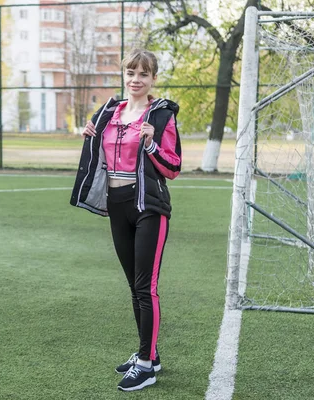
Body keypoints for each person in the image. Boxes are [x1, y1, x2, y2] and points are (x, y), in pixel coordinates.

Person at [69, 48, 181, 392]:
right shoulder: (108, 111)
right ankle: (150, 353)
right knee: (134, 286)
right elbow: (99, 153)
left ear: (153, 79)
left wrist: (150, 143)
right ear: (124, 75)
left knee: (146, 287)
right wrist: (90, 134)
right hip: (116, 204)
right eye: (131, 73)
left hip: (148, 205)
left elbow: (173, 167)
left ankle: (146, 366)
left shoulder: (161, 116)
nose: (136, 80)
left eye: (143, 74)